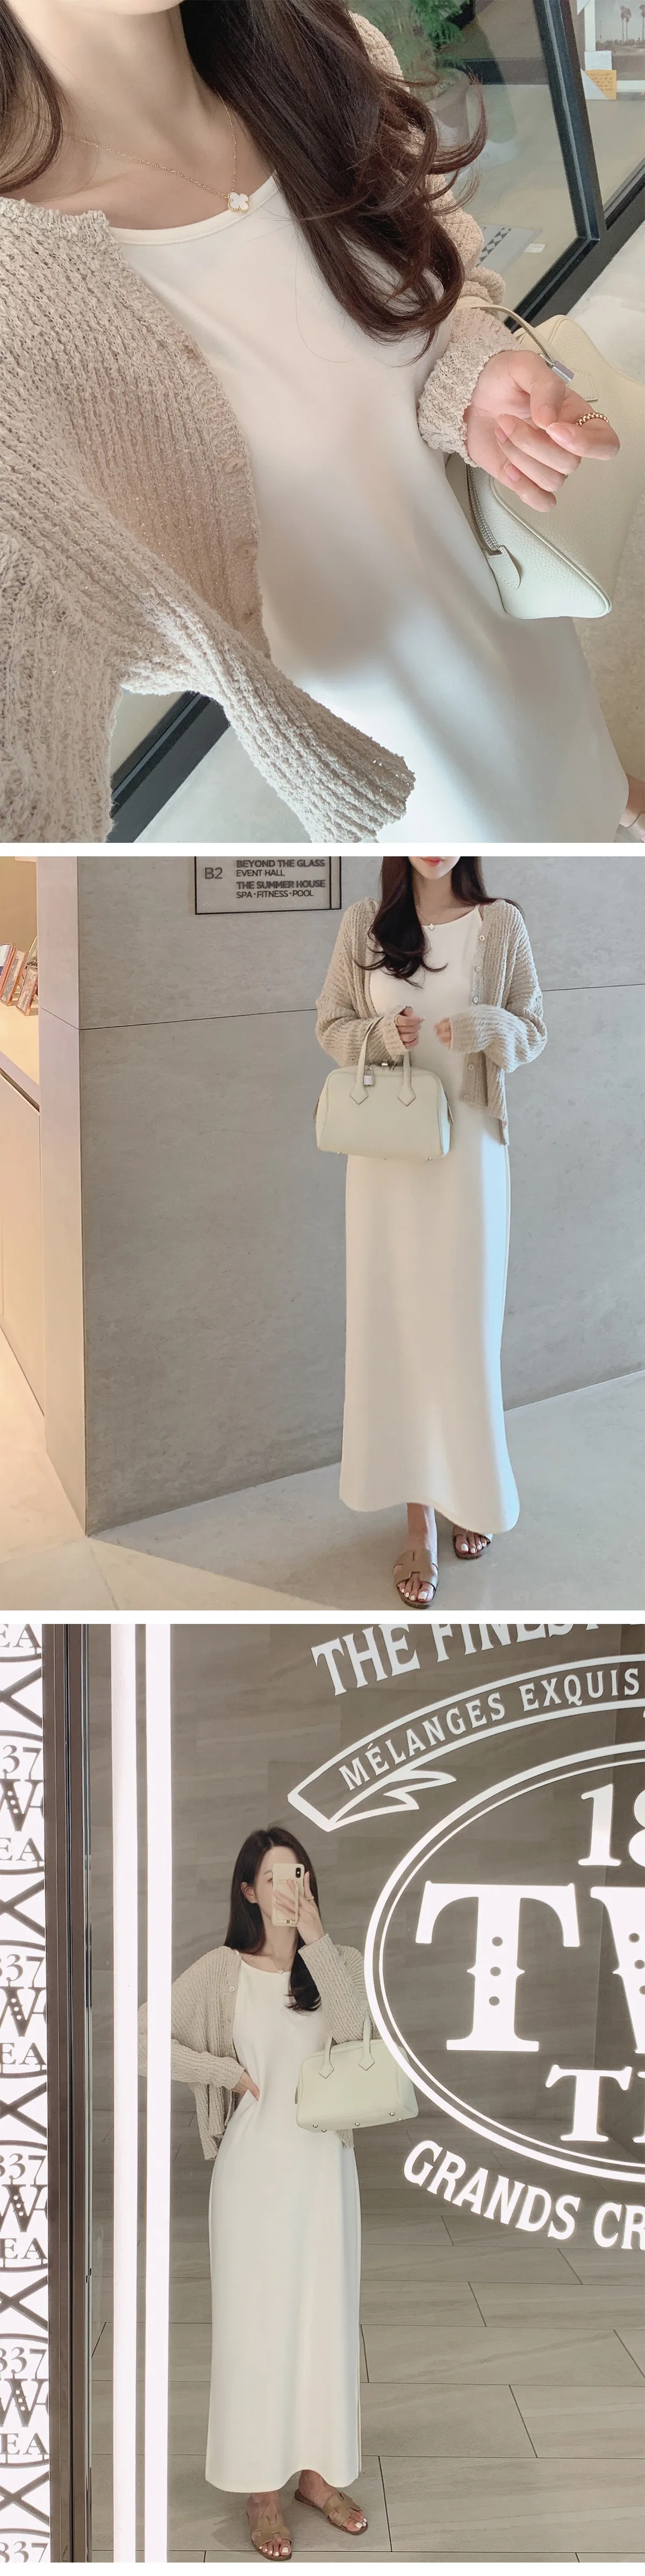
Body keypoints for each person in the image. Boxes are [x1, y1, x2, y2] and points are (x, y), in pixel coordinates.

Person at [2, 0, 642, 842]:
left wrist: (474, 376)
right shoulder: (22, 291)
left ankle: (606, 792)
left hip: (499, 583)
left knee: (571, 758)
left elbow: (445, 282)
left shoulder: (330, 60)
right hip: (391, 724)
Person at [316, 853, 546, 1605]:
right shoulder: (366, 925)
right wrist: (383, 1036)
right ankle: (418, 1522)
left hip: (470, 1157)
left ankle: (468, 1495)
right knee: (396, 1329)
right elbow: (331, 1026)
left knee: (462, 1330)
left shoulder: (500, 924)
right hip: (387, 1161)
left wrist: (486, 1026)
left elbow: (534, 1029)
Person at [139, 1826, 368, 2562]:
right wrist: (225, 2074)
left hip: (325, 2175)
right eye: (272, 1875)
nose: (288, 1887)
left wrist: (318, 1940)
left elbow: (358, 2035)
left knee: (324, 2326)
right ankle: (261, 2491)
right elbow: (143, 2039)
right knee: (257, 2331)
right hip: (252, 2178)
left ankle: (316, 2478)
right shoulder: (222, 1971)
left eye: (298, 1873)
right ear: (247, 1890)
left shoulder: (336, 1964)